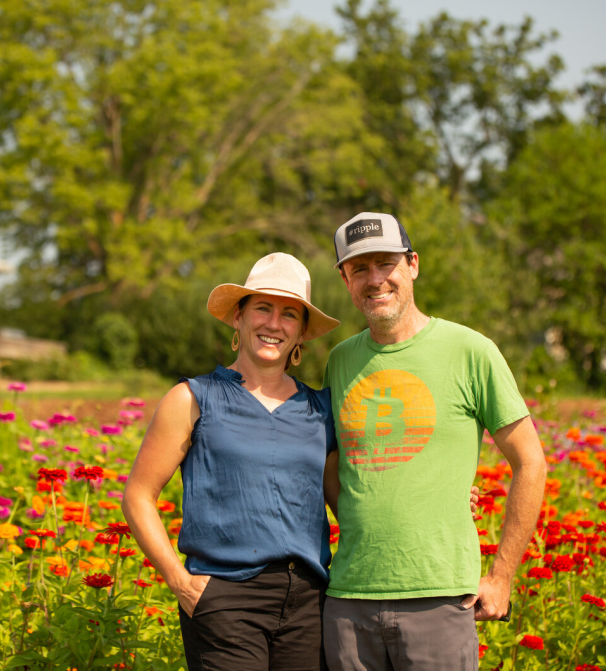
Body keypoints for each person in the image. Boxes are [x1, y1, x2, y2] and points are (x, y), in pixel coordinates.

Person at [321, 212, 548, 671]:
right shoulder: (340, 361)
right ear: (345, 279)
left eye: (386, 263)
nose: (375, 279)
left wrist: (501, 576)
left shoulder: (471, 351)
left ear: (413, 265)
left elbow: (531, 461)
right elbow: (332, 460)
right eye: (359, 269)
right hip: (347, 600)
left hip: (441, 600)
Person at [121, 252, 342, 671]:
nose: (274, 324)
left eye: (289, 314)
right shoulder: (192, 398)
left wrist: (441, 498)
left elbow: (346, 503)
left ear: (301, 334)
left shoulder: (319, 410)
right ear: (238, 318)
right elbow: (138, 496)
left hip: (309, 603)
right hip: (225, 599)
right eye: (262, 307)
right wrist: (179, 581)